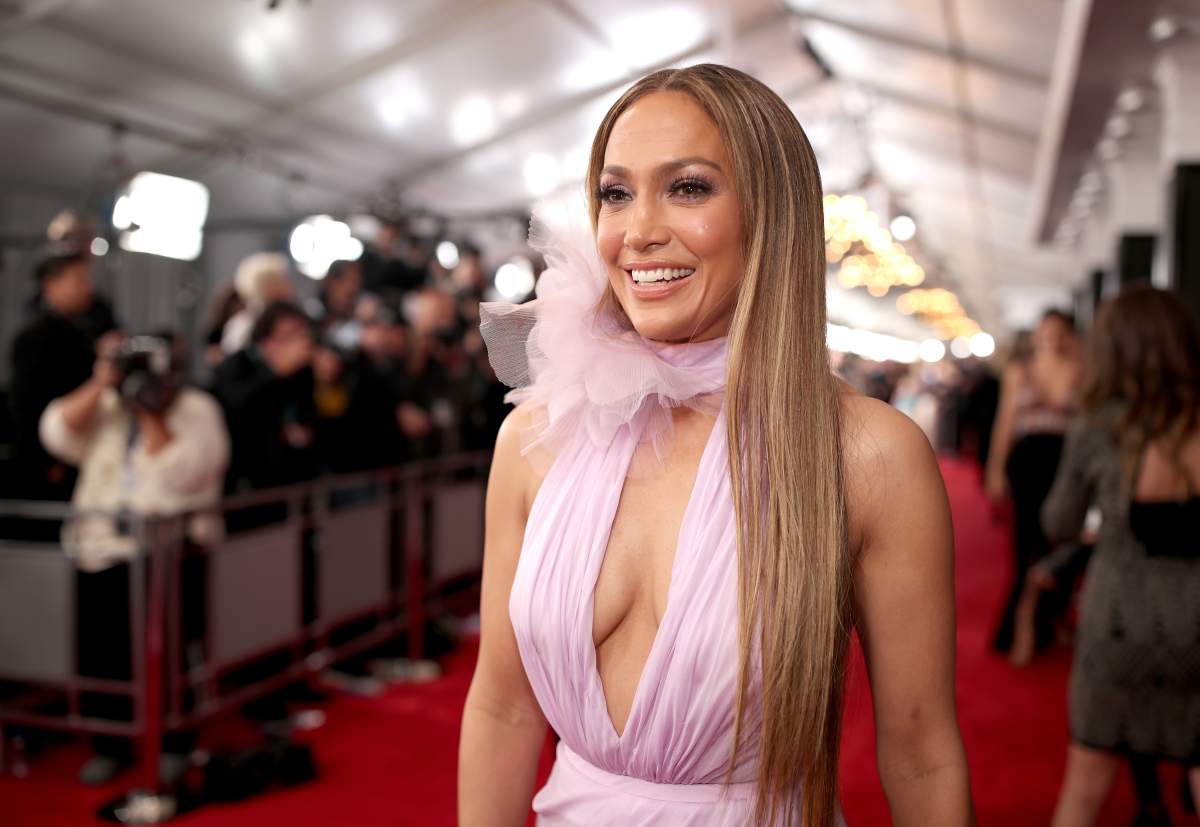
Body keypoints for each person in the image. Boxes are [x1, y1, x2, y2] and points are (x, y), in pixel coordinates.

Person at [459, 64, 972, 826]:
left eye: (688, 187)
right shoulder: (536, 435)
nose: (638, 231)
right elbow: (502, 706)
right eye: (616, 193)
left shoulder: (867, 453)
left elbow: (922, 751)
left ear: (771, 212)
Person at [38, 334, 229, 784]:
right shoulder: (106, 404)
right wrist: (101, 382)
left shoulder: (197, 408)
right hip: (99, 548)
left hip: (167, 553)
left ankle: (173, 741)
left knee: (167, 655)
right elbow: (57, 434)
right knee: (100, 656)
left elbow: (185, 473)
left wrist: (152, 412)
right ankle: (110, 743)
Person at [1042, 285, 1200, 826]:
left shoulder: (1097, 428)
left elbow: (1058, 524)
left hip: (1118, 623)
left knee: (1084, 788)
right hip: (1196, 623)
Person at [985, 309, 1082, 664]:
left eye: (1058, 330)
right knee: (1027, 544)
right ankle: (1023, 622)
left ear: (1068, 334)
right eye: (1045, 329)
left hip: (1067, 466)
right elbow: (1005, 422)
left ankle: (1052, 617)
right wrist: (995, 469)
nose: (1050, 336)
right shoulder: (1019, 371)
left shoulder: (1081, 370)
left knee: (1062, 540)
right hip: (1027, 465)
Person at [7, 247, 114, 507]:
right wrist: (48, 461)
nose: (87, 288)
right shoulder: (34, 338)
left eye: (87, 280)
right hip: (50, 465)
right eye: (78, 280)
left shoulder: (90, 330)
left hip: (80, 454)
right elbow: (25, 407)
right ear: (51, 285)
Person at [212, 301, 318, 492]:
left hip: (291, 476)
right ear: (266, 340)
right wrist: (275, 373)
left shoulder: (303, 371)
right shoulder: (237, 365)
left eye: (301, 335)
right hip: (246, 477)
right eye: (288, 336)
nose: (296, 344)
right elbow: (235, 407)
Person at [220, 252, 294, 355]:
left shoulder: (296, 319)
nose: (281, 287)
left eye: (282, 280)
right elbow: (234, 357)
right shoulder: (243, 324)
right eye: (271, 283)